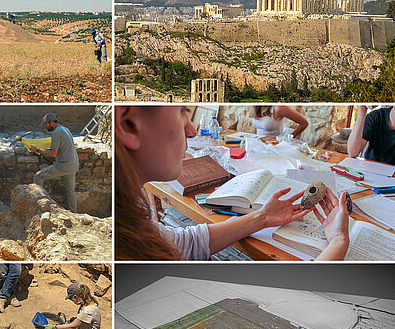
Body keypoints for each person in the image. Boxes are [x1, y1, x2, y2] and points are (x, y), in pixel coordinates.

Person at [114, 105, 352, 261]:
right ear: (129, 125)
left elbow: (183, 244)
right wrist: (339, 242)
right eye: (182, 111)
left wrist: (263, 217)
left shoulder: (127, 223)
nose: (191, 130)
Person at [32, 284, 101, 329]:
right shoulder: (87, 303)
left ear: (75, 297)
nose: (72, 301)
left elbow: (72, 326)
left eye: (71, 299)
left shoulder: (88, 311)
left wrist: (54, 327)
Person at [29, 113, 79, 212]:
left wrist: (37, 150)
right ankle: (74, 213)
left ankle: (39, 207)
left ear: (51, 123)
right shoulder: (65, 129)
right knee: (71, 192)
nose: (45, 127)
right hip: (73, 165)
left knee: (38, 177)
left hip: (63, 166)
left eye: (46, 124)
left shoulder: (56, 133)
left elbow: (53, 153)